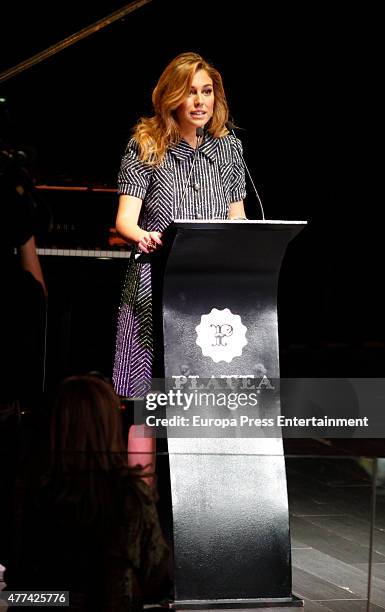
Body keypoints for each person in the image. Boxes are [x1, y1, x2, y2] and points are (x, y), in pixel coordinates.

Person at [112, 51, 247, 472]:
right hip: (157, 277)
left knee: (205, 396)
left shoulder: (228, 149)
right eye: (190, 92)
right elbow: (125, 221)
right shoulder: (147, 144)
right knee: (146, 399)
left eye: (207, 92)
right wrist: (146, 235)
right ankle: (142, 496)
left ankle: (203, 498)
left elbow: (237, 217)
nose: (200, 101)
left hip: (209, 288)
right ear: (172, 96)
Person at [2, 375, 170, 611]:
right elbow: (157, 579)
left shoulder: (32, 490)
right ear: (110, 425)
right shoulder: (130, 496)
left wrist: (56, 599)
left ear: (58, 423)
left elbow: (15, 585)